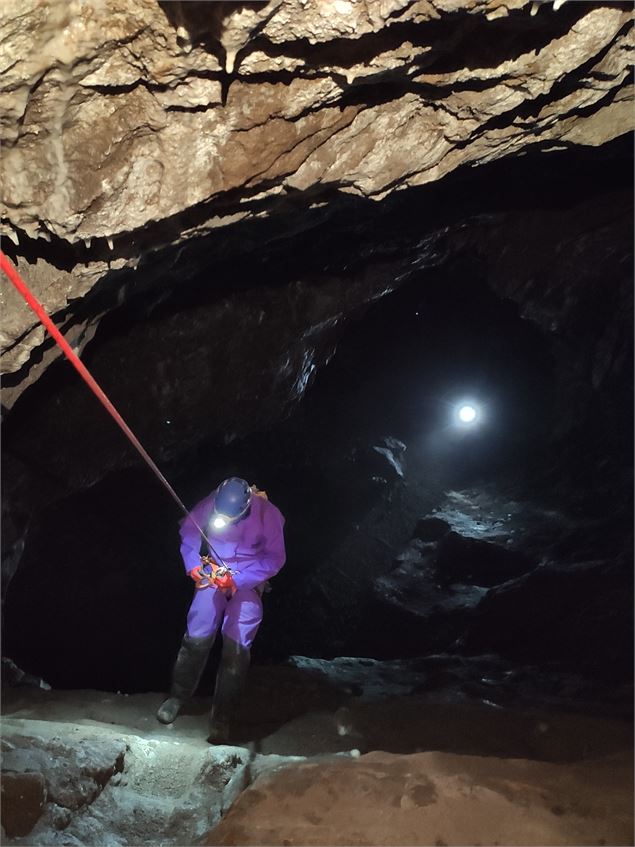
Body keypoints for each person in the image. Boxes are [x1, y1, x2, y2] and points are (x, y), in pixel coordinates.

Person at [157, 477, 286, 743]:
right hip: (214, 572)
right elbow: (190, 533)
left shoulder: (269, 515)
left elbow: (275, 558)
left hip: (248, 580)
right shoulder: (211, 502)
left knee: (237, 647)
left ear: (246, 508)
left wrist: (238, 580)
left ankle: (222, 716)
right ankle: (178, 696)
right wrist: (192, 564)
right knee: (197, 635)